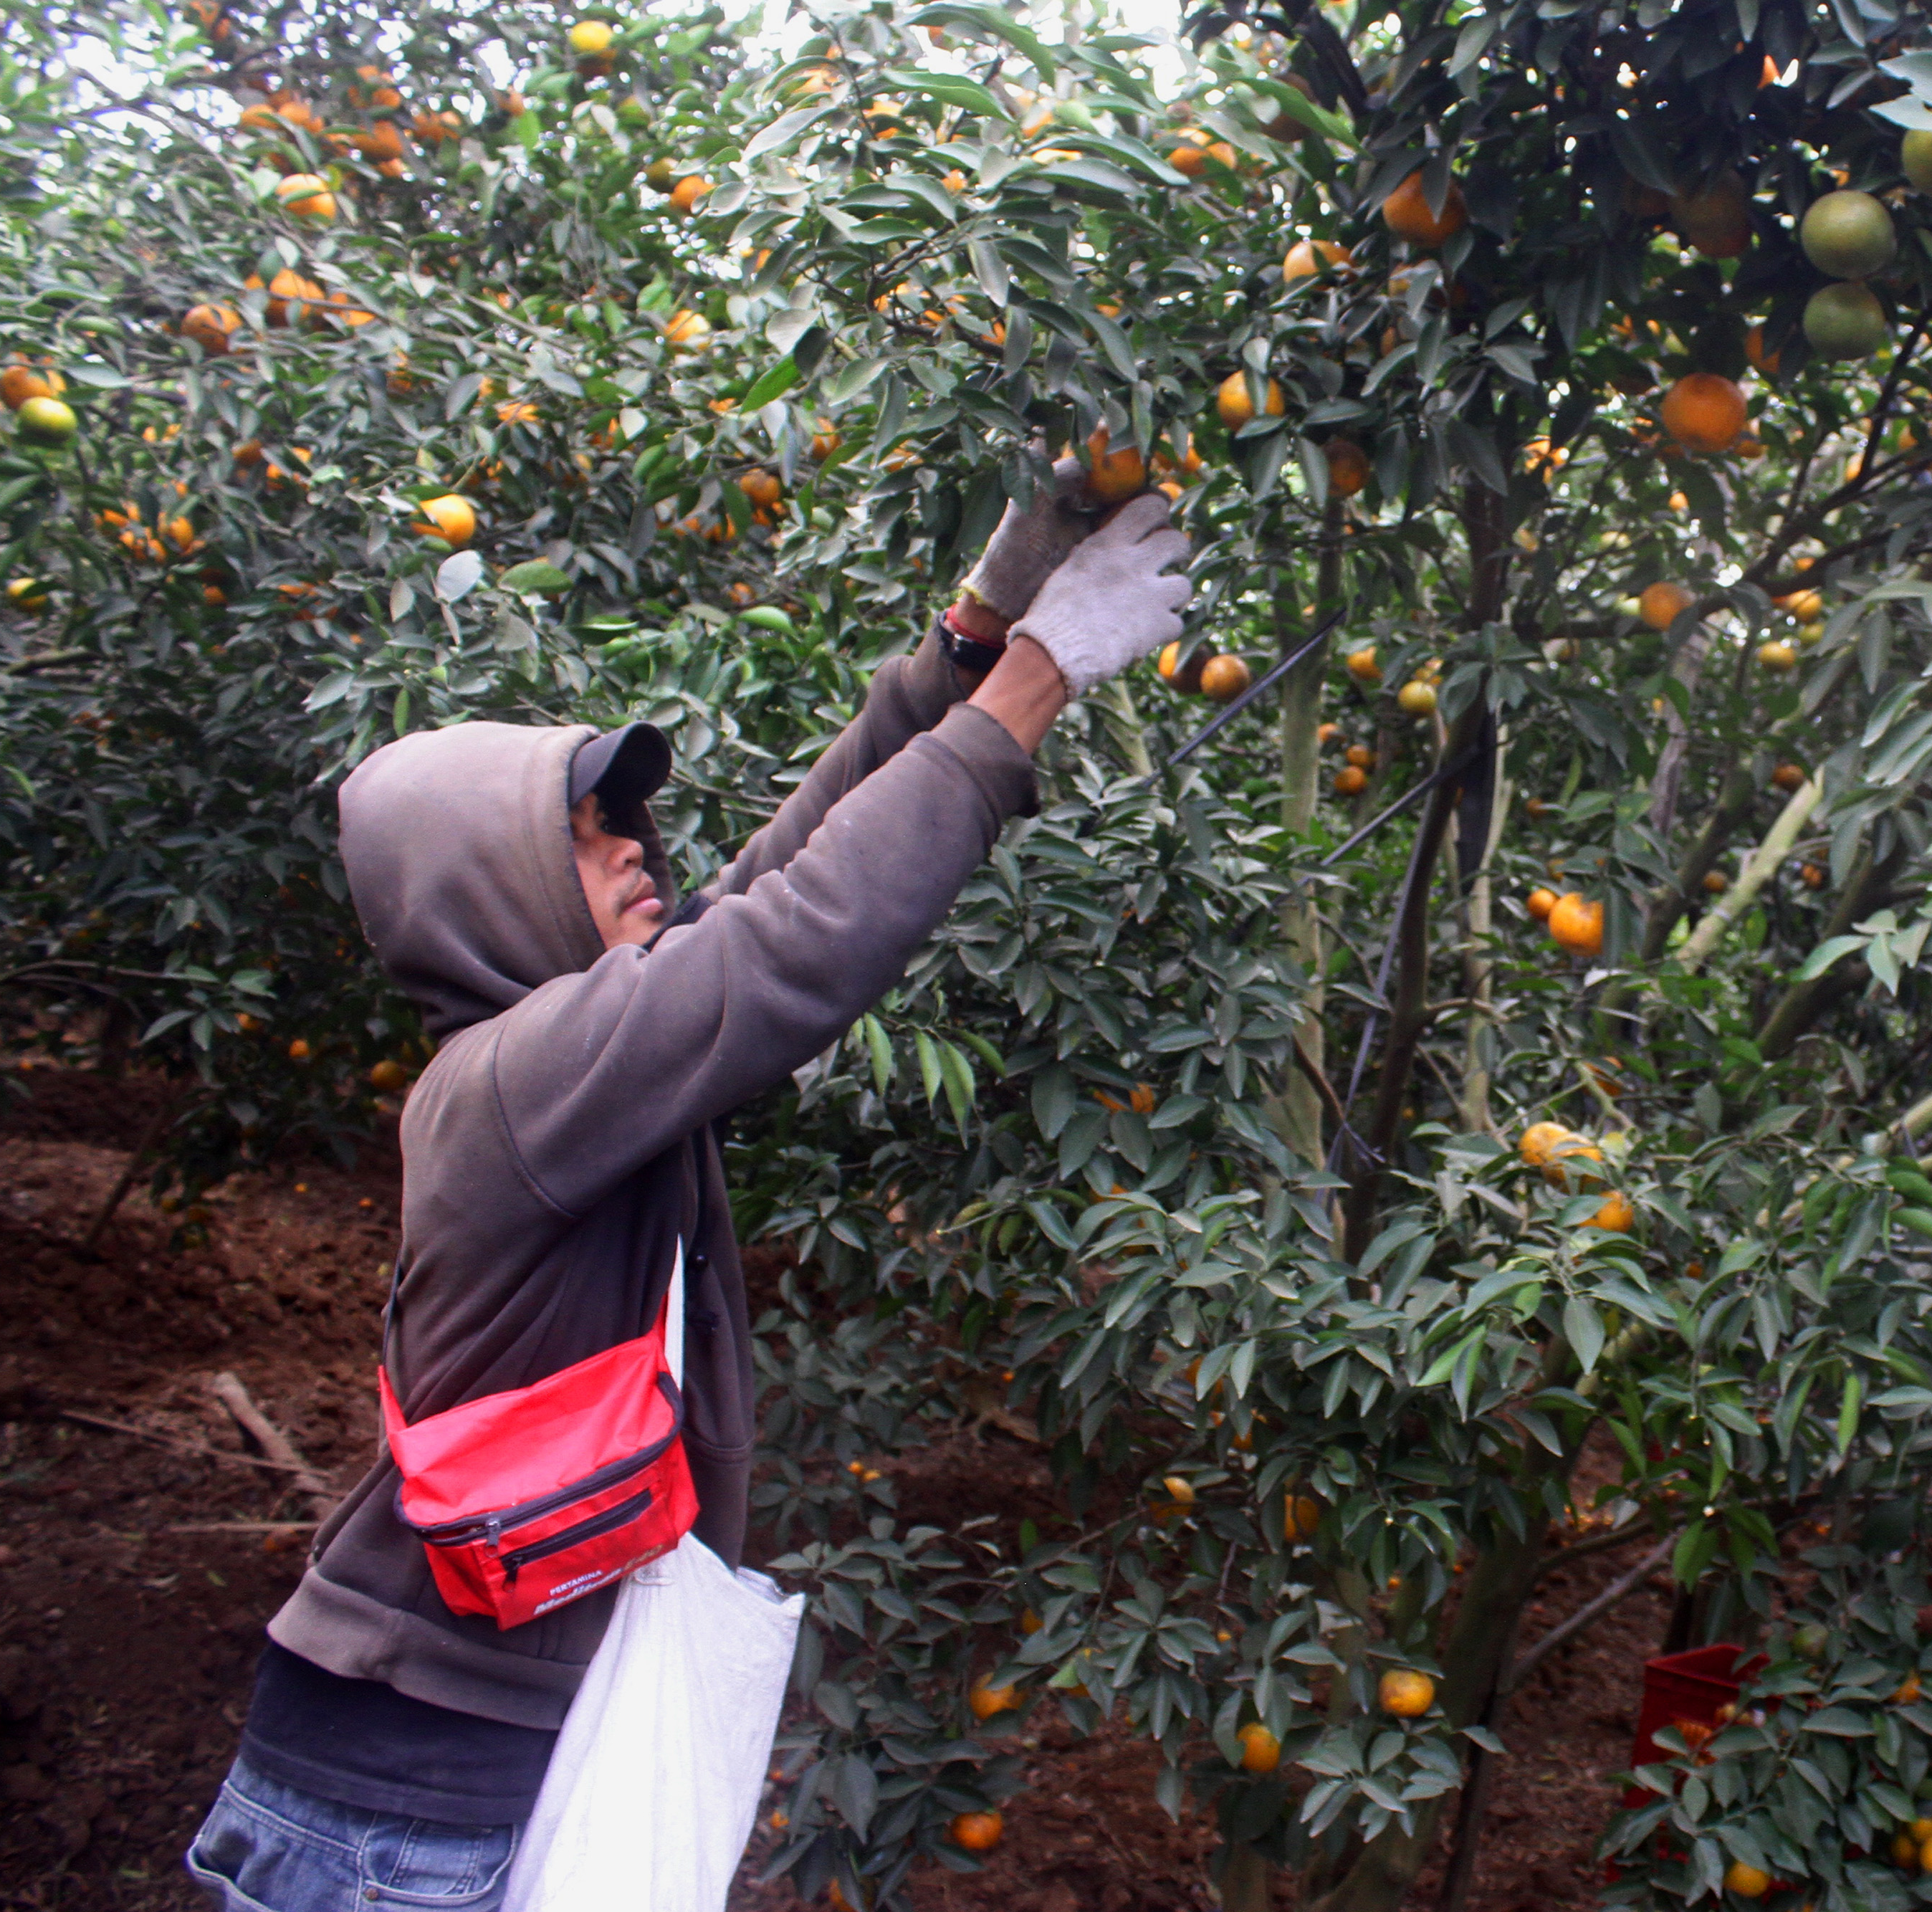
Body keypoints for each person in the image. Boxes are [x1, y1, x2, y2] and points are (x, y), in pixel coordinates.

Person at [183, 479, 1190, 1911]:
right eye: (585, 833)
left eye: (625, 820)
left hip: (441, 1772)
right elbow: (795, 943)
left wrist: (971, 636)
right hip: (402, 1805)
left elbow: (777, 881)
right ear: (484, 890)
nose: (633, 848)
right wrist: (1040, 677)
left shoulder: (578, 1057)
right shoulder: (519, 1080)